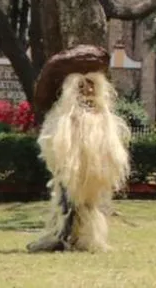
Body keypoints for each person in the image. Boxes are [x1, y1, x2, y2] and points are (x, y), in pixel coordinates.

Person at [26, 46, 131, 253]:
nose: (88, 91)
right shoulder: (63, 119)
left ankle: (85, 238)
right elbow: (55, 143)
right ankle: (62, 237)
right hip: (69, 172)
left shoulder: (102, 118)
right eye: (82, 86)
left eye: (92, 85)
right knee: (67, 200)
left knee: (89, 203)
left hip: (93, 175)